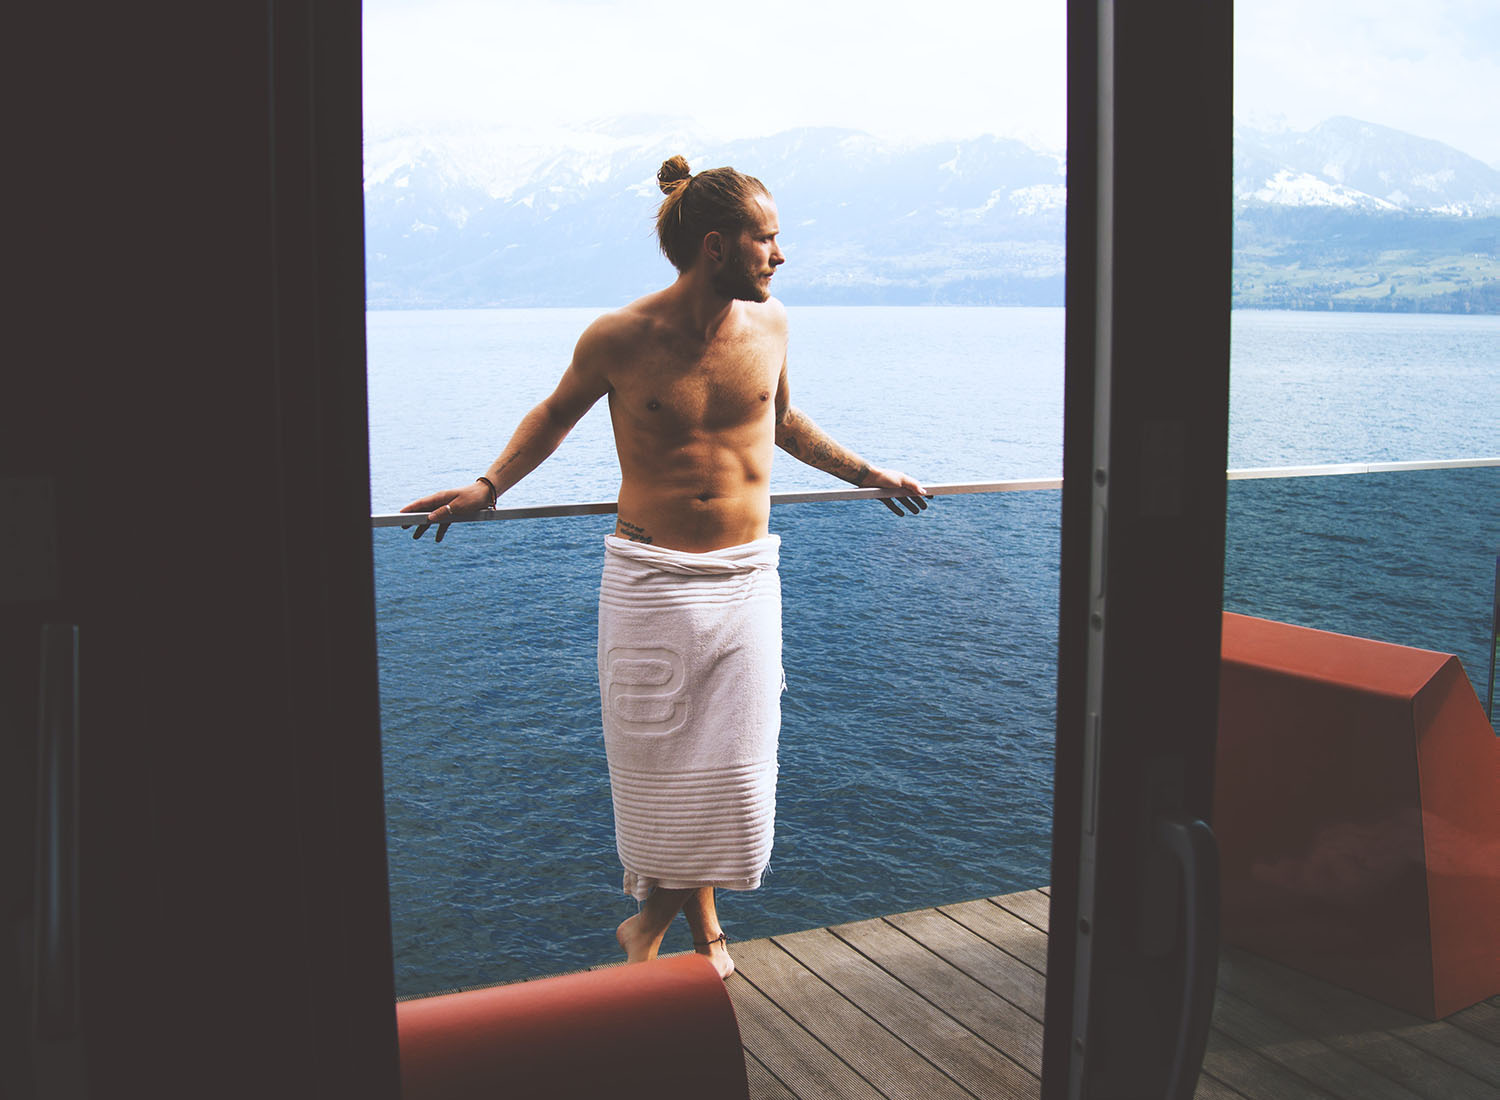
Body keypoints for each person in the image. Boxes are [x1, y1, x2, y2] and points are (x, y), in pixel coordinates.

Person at [402, 155, 930, 980]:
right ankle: (703, 932)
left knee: (735, 775)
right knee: (661, 772)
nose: (780, 256)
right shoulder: (621, 337)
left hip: (750, 580)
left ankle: (643, 927)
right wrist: (487, 485)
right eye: (768, 239)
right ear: (717, 245)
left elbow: (784, 422)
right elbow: (554, 416)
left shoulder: (776, 326)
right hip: (651, 583)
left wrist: (870, 473)